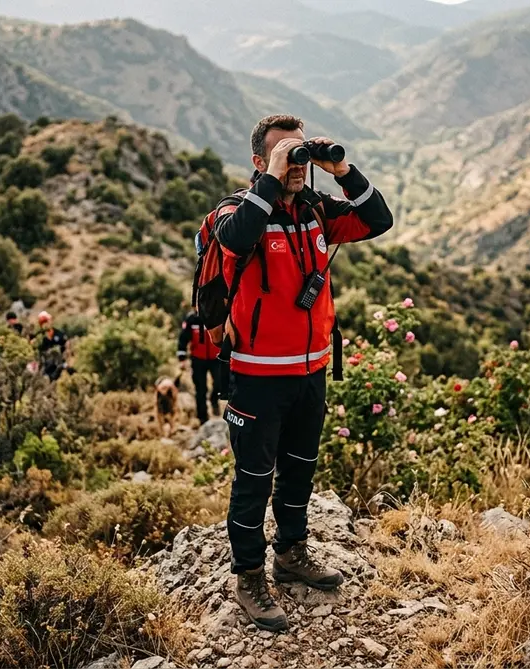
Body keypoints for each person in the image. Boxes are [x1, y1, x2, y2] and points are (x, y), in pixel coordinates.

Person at [214, 115, 393, 632]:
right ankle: (248, 577)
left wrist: (340, 168)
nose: (295, 164)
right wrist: (272, 179)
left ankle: (291, 553)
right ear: (258, 162)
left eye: (299, 152)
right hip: (255, 376)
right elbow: (235, 238)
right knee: (253, 480)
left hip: (311, 371)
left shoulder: (314, 211)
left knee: (300, 470)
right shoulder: (237, 212)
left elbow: (377, 219)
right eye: (282, 153)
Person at [177, 308, 222, 422]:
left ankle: (214, 399)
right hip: (198, 359)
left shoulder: (218, 315)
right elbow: (183, 339)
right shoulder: (192, 319)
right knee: (200, 389)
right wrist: (182, 359)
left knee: (219, 383)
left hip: (216, 358)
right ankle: (202, 418)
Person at [35, 310, 69, 380]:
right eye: (43, 322)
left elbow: (66, 345)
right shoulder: (39, 338)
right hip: (46, 368)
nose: (46, 324)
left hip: (60, 365)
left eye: (47, 321)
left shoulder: (59, 334)